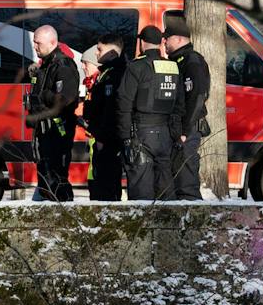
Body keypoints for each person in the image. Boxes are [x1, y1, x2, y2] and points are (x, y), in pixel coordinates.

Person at [115, 24, 185, 201]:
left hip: (141, 133)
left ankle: (143, 227)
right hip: (166, 134)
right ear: (161, 42)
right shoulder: (173, 67)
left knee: (141, 189)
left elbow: (124, 102)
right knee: (165, 186)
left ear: (141, 42)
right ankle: (167, 225)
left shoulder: (136, 67)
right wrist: (176, 133)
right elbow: (179, 104)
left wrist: (125, 137)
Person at [24, 24, 81, 200]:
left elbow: (64, 99)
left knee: (56, 177)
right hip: (44, 129)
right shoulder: (46, 66)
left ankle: (63, 214)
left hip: (57, 130)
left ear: (52, 42)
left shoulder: (63, 65)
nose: (35, 47)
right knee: (45, 176)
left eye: (38, 43)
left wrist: (44, 95)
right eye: (34, 42)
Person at [163, 11, 212, 199]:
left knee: (186, 180)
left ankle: (192, 222)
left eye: (166, 39)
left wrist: (184, 130)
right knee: (175, 178)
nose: (164, 43)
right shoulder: (177, 61)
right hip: (177, 128)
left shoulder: (192, 61)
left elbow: (197, 97)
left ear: (177, 39)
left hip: (187, 129)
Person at [81, 38, 127, 201]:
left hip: (107, 140)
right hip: (100, 139)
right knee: (99, 185)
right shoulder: (105, 75)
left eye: (99, 49)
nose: (96, 52)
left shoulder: (115, 74)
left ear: (112, 50)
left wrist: (103, 135)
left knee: (107, 186)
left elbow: (111, 109)